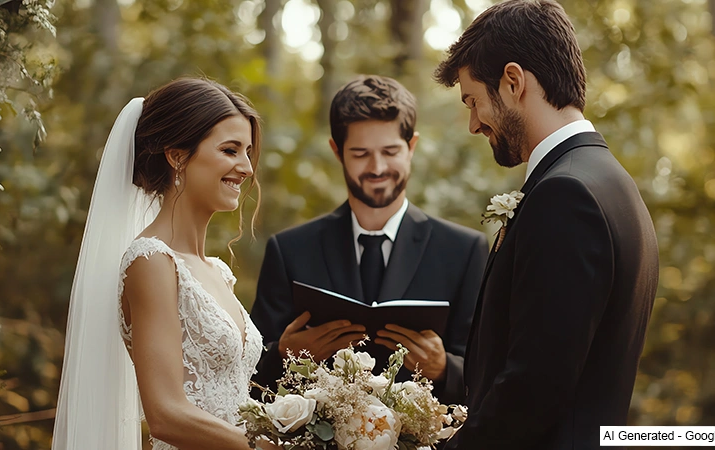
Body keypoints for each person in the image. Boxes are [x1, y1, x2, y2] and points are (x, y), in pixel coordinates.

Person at [433, 1, 659, 448]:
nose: (474, 124)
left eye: (474, 101)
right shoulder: (612, 181)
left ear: (513, 81)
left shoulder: (566, 195)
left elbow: (535, 385)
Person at [52, 78, 279, 450]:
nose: (246, 168)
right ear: (176, 156)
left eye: (247, 152)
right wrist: (265, 447)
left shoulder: (218, 272)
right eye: (230, 150)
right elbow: (166, 414)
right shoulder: (151, 261)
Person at [250, 75, 488, 405]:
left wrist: (444, 368)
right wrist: (285, 353)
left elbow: (489, 372)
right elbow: (252, 372)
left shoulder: (464, 251)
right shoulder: (289, 250)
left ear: (412, 147)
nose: (377, 168)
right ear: (337, 151)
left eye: (390, 151)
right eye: (361, 153)